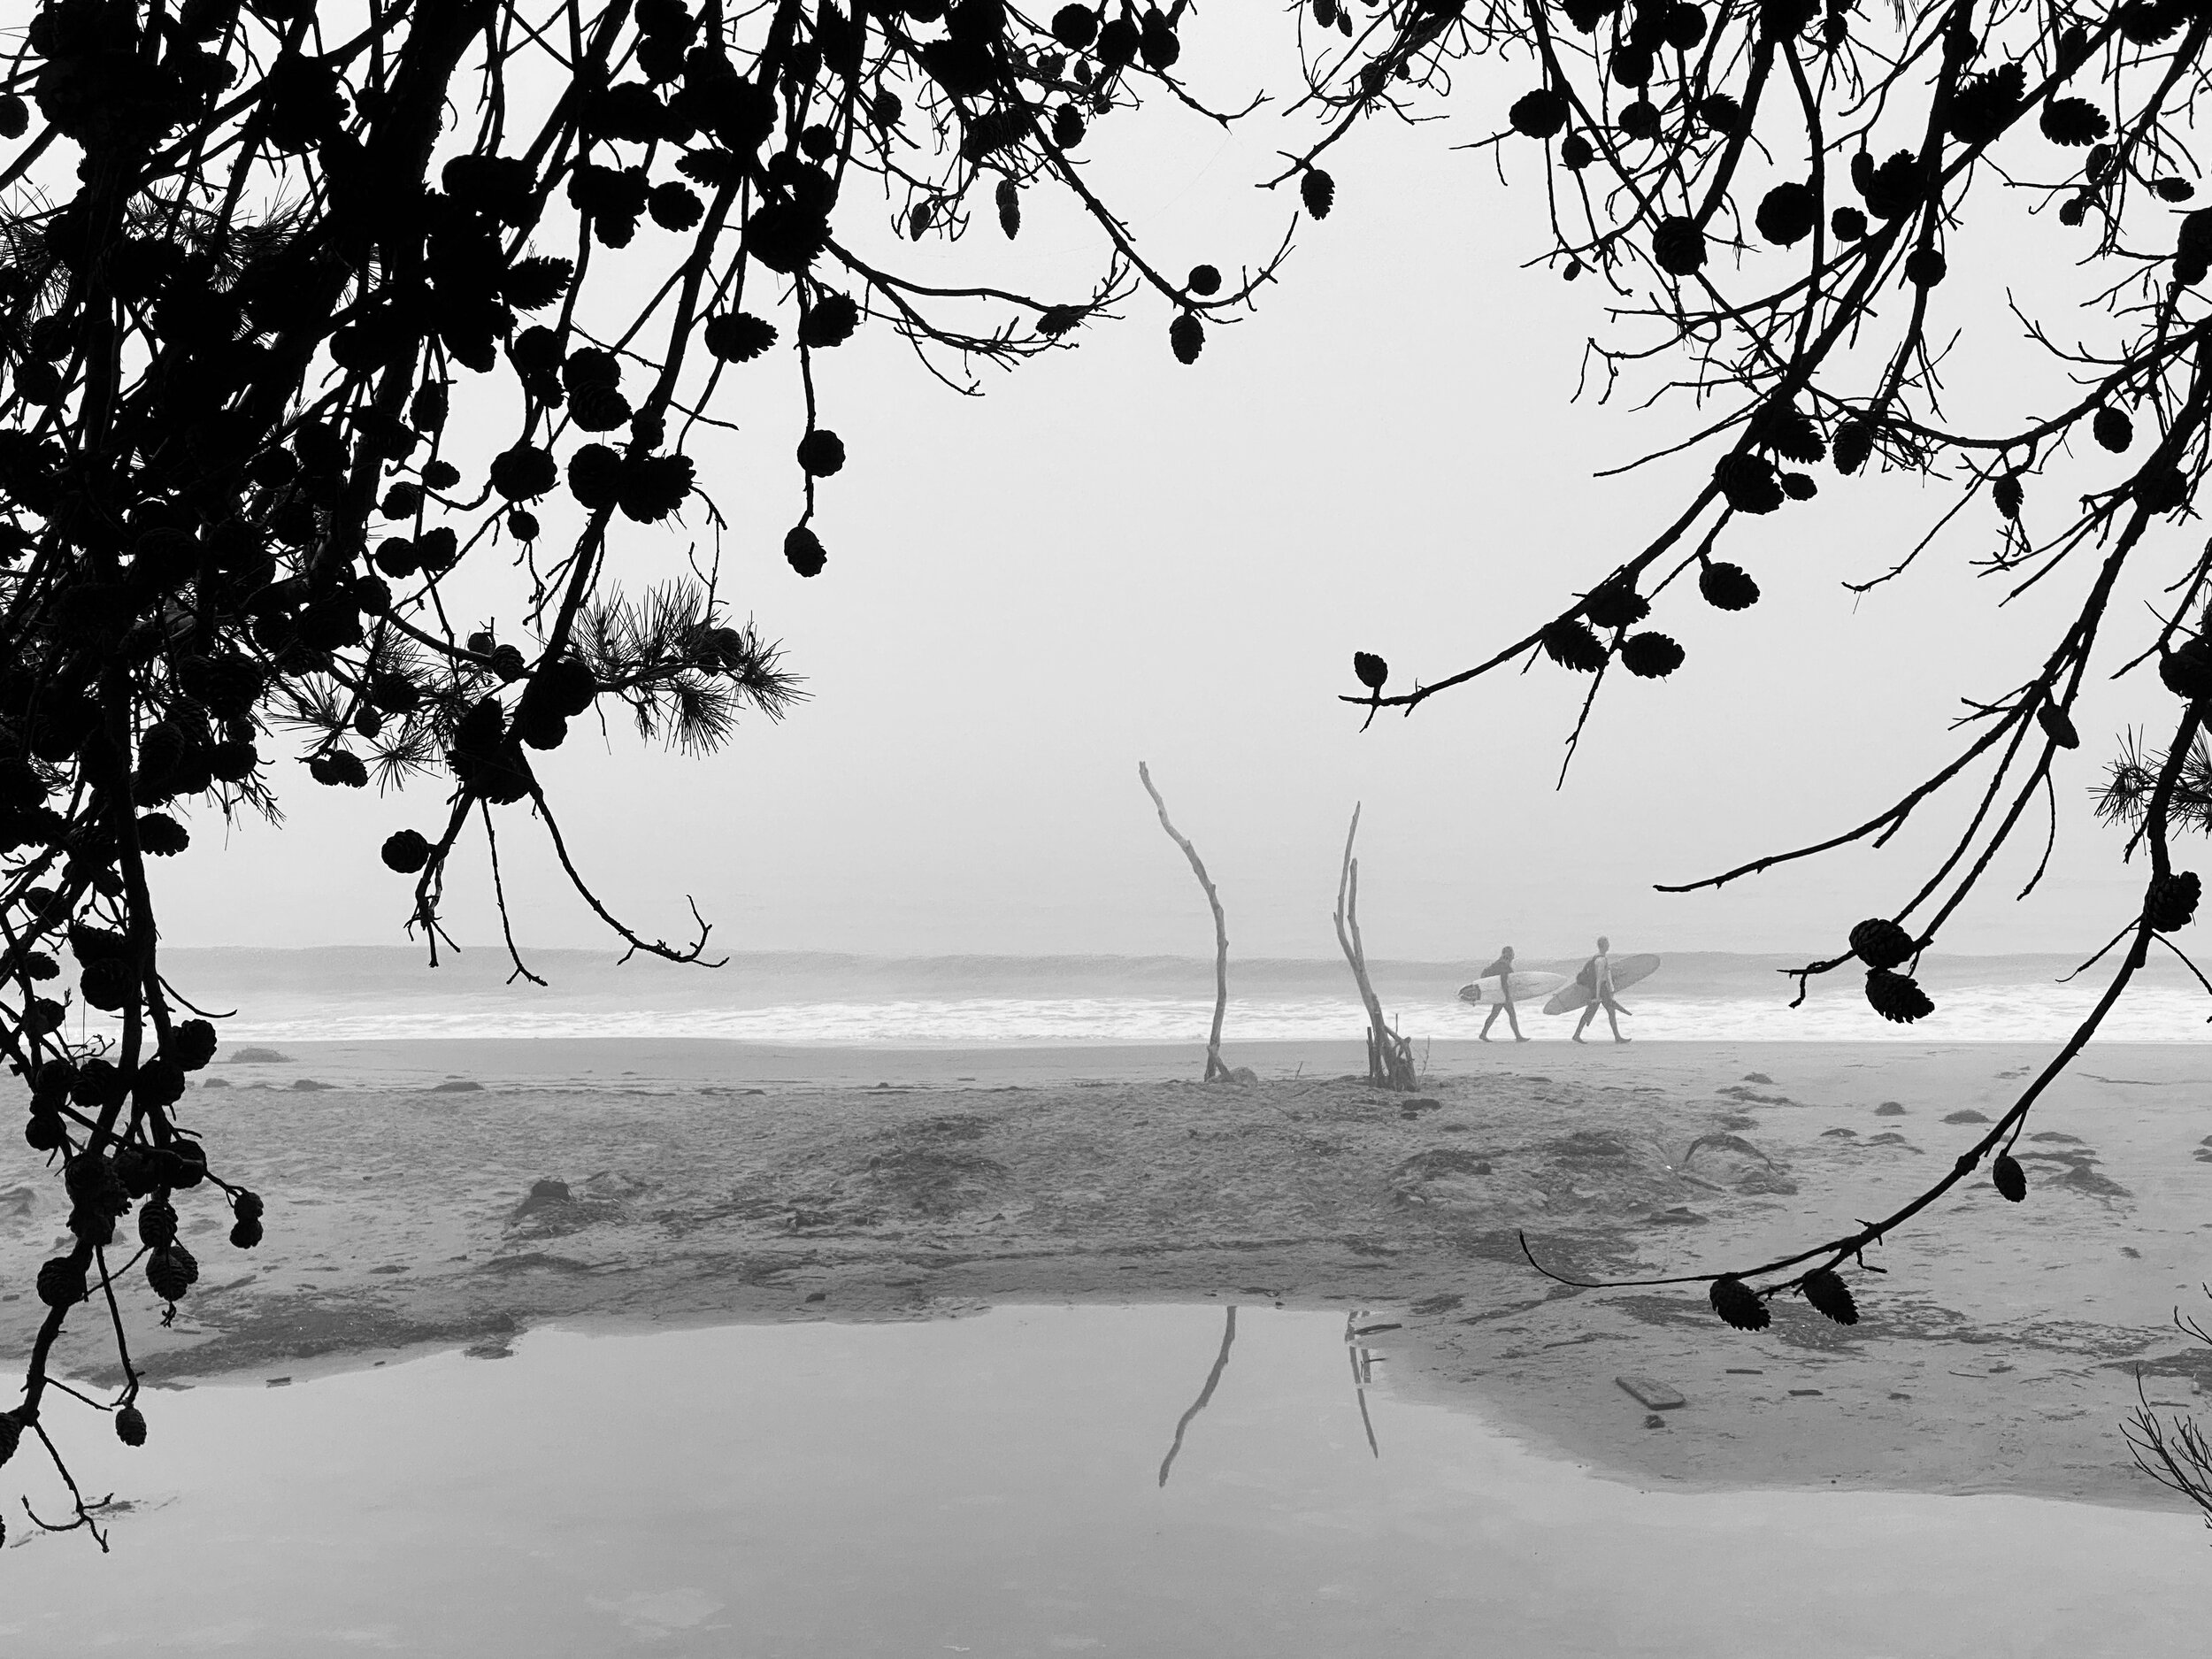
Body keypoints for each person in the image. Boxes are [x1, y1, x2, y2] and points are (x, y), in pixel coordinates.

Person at [1573, 935, 1631, 1044]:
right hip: (1599, 989)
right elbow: (1599, 979)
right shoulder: (1600, 960)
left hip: (1600, 989)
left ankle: (1577, 1035)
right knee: (1601, 1011)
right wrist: (1598, 995)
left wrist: (1610, 988)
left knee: (1607, 1011)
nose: (1609, 945)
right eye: (1607, 943)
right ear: (1604, 946)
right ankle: (1617, 1037)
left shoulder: (1598, 958)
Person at [1478, 945, 1531, 1042]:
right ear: (1509, 954)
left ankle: (1483, 1034)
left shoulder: (1499, 963)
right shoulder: (1503, 965)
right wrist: (1507, 996)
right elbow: (1503, 981)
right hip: (1502, 994)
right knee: (1510, 1014)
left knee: (1495, 1014)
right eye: (1512, 954)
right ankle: (1518, 1036)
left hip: (1499, 993)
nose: (1513, 956)